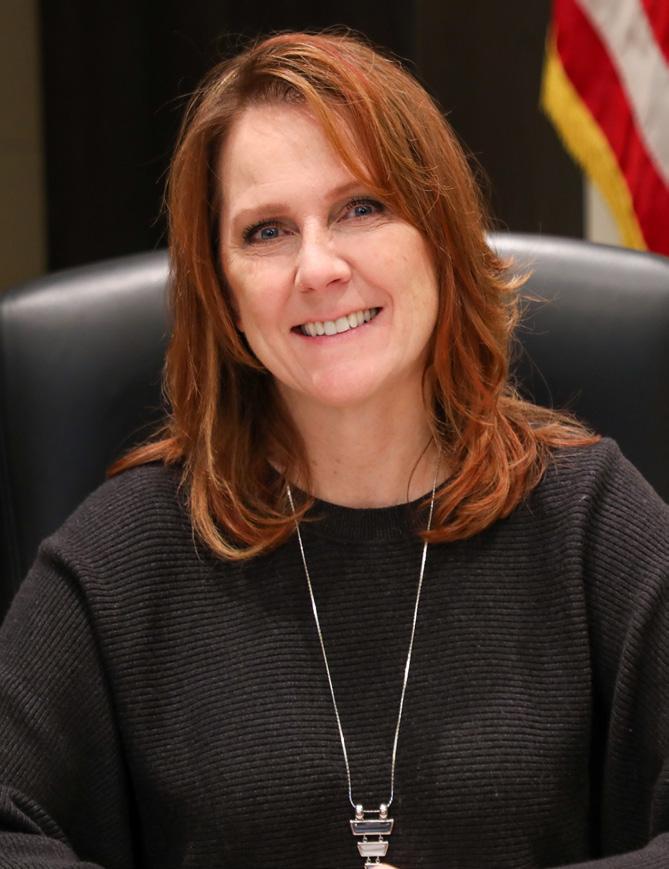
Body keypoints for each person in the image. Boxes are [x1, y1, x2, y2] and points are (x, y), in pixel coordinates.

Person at [0, 30, 668, 869]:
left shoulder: (590, 520)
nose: (317, 268)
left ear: (438, 232)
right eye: (266, 231)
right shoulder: (122, 554)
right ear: (223, 289)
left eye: (361, 208)